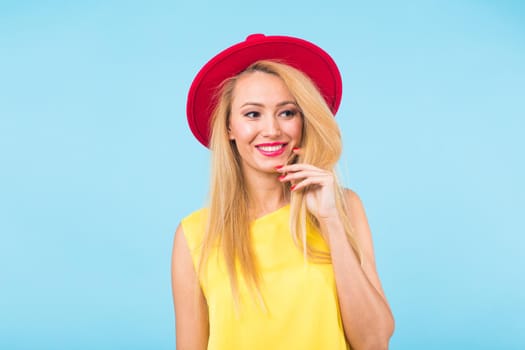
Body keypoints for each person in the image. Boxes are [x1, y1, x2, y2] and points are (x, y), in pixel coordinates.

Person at [171, 34, 394, 350]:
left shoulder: (343, 207)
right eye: (252, 114)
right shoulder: (194, 235)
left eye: (287, 112)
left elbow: (374, 341)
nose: (272, 129)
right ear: (229, 128)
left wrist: (330, 222)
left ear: (303, 121)